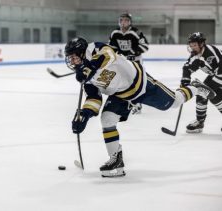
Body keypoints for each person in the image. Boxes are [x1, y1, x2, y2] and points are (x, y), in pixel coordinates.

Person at [65, 37, 216, 177]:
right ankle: (116, 161)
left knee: (174, 102)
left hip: (141, 84)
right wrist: (85, 114)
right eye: (70, 58)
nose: (71, 61)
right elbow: (94, 98)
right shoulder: (84, 76)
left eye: (73, 56)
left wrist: (90, 67)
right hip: (120, 94)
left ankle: (195, 88)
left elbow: (108, 54)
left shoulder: (94, 49)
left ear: (81, 52)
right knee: (107, 119)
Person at [181, 32, 222, 133]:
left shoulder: (211, 51)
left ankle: (199, 121)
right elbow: (187, 68)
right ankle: (199, 122)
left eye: (194, 45)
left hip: (220, 74)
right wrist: (185, 82)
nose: (192, 47)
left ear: (201, 44)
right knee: (203, 93)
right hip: (215, 75)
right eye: (191, 45)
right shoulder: (195, 56)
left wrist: (210, 88)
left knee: (208, 93)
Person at [109, 13, 149, 114]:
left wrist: (132, 52)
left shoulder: (136, 32)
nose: (123, 22)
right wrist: (114, 55)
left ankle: (138, 103)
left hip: (136, 62)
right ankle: (126, 101)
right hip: (122, 62)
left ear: (130, 22)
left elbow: (145, 46)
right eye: (121, 20)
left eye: (126, 20)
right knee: (123, 82)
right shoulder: (114, 33)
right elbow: (111, 47)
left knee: (137, 82)